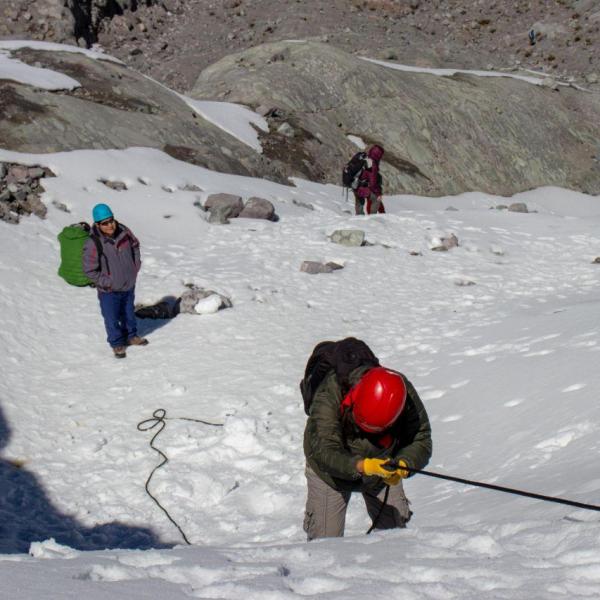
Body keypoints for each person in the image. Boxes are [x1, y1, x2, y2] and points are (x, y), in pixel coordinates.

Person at [303, 361, 432, 540]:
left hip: (383, 466)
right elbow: (325, 451)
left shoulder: (404, 395)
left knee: (395, 536)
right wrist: (362, 466)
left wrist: (404, 464)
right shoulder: (329, 395)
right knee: (325, 544)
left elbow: (421, 438)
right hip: (329, 474)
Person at [82, 203, 148, 358]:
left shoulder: (124, 232)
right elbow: (89, 270)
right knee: (111, 318)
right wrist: (108, 282)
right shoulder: (93, 243)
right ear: (98, 225)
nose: (110, 225)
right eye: (105, 223)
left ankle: (131, 336)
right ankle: (117, 343)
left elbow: (135, 245)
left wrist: (135, 265)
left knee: (129, 313)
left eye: (111, 220)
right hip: (109, 291)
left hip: (128, 284)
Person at [354, 144, 385, 215]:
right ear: (378, 155)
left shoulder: (365, 158)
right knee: (376, 199)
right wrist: (378, 193)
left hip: (355, 185)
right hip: (363, 187)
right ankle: (372, 218)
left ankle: (358, 219)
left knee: (359, 202)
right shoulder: (373, 164)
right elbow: (373, 183)